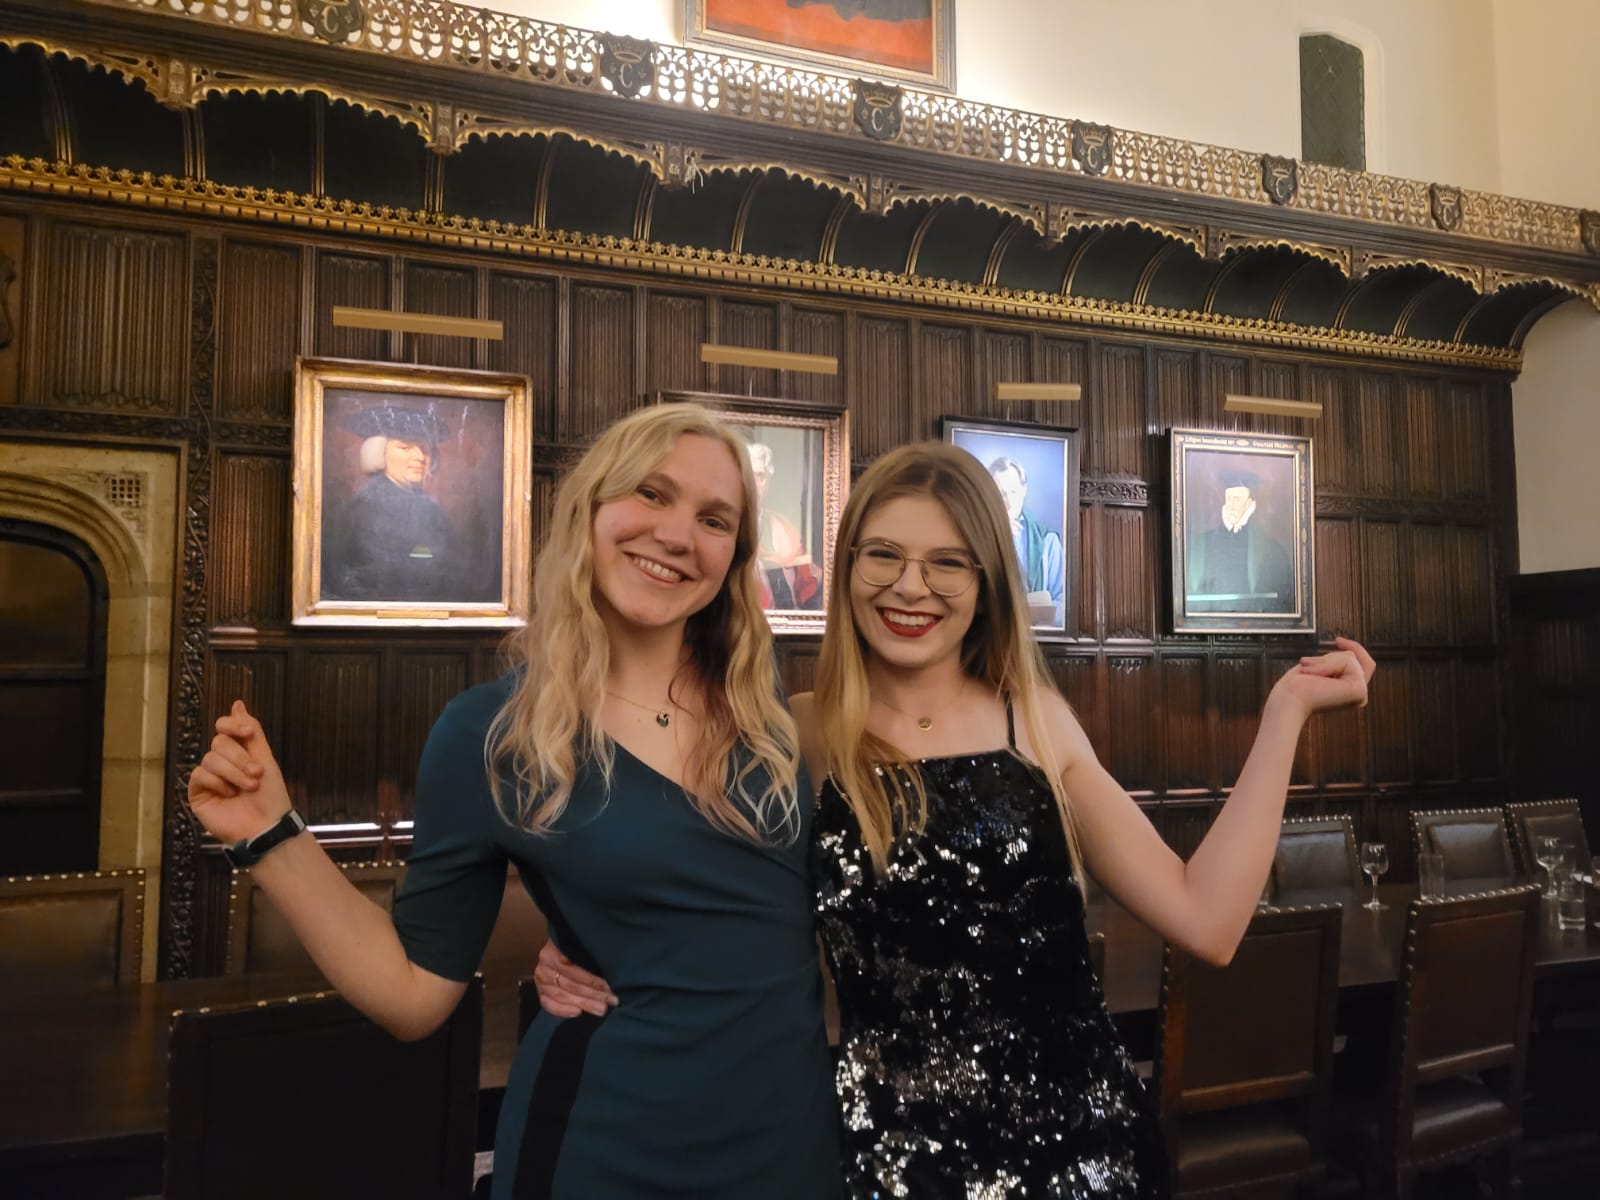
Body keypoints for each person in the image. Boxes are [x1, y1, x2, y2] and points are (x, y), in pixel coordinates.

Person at [540, 442, 1374, 1198]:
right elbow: (680, 890)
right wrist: (578, 945)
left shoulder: (1035, 722)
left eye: (948, 563)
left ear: (985, 586)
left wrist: (1286, 713)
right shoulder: (793, 737)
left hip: (1076, 1150)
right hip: (890, 1160)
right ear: (847, 565)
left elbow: (1209, 919)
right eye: (885, 556)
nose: (911, 587)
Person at [188, 403, 843, 1198]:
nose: (676, 534)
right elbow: (414, 993)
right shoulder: (492, 733)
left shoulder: (769, 712)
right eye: (650, 493)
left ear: (734, 556)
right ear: (591, 510)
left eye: (713, 518)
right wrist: (272, 836)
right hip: (607, 1151)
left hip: (795, 1149)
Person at [322, 402, 470, 603]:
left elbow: (457, 572)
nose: (419, 457)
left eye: (424, 449)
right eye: (405, 447)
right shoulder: (360, 509)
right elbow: (340, 578)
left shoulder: (435, 512)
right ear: (378, 453)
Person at [1185, 466, 1296, 615]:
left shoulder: (1273, 550)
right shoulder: (1200, 544)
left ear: (1250, 504)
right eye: (1229, 498)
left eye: (1238, 499)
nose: (1232, 505)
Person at [988, 454, 1064, 625]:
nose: (1008, 502)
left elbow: (1063, 603)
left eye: (1013, 492)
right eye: (1001, 494)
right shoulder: (978, 538)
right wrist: (998, 537)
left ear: (1024, 490)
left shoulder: (1048, 540)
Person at [747, 440, 822, 610]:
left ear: (768, 482)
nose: (755, 485)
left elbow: (807, 580)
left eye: (761, 477)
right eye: (749, 476)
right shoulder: (725, 527)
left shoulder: (784, 527)